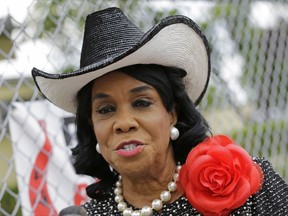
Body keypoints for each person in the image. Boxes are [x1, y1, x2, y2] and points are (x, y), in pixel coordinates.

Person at [32, 7, 288, 216]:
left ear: (172, 113)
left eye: (142, 103)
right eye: (106, 109)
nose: (123, 123)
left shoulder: (247, 185)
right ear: (92, 127)